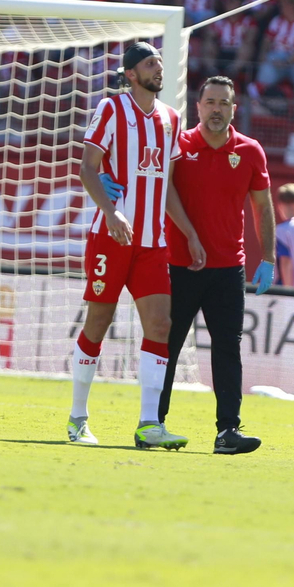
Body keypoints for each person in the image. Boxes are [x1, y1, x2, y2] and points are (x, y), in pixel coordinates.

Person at [68, 42, 206, 450]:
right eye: (150, 64)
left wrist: (190, 232)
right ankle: (78, 419)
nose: (158, 69)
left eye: (160, 63)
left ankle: (149, 424)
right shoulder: (111, 109)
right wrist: (111, 212)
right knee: (97, 323)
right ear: (131, 73)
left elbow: (164, 188)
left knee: (161, 326)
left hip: (152, 242)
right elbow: (87, 170)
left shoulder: (171, 118)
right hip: (111, 238)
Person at [143, 76, 275, 454]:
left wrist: (268, 257)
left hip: (227, 269)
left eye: (225, 103)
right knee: (165, 345)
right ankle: (153, 422)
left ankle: (227, 432)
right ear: (197, 107)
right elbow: (158, 189)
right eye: (211, 102)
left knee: (228, 348)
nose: (217, 109)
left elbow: (262, 206)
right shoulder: (178, 146)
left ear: (234, 109)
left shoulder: (250, 151)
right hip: (178, 265)